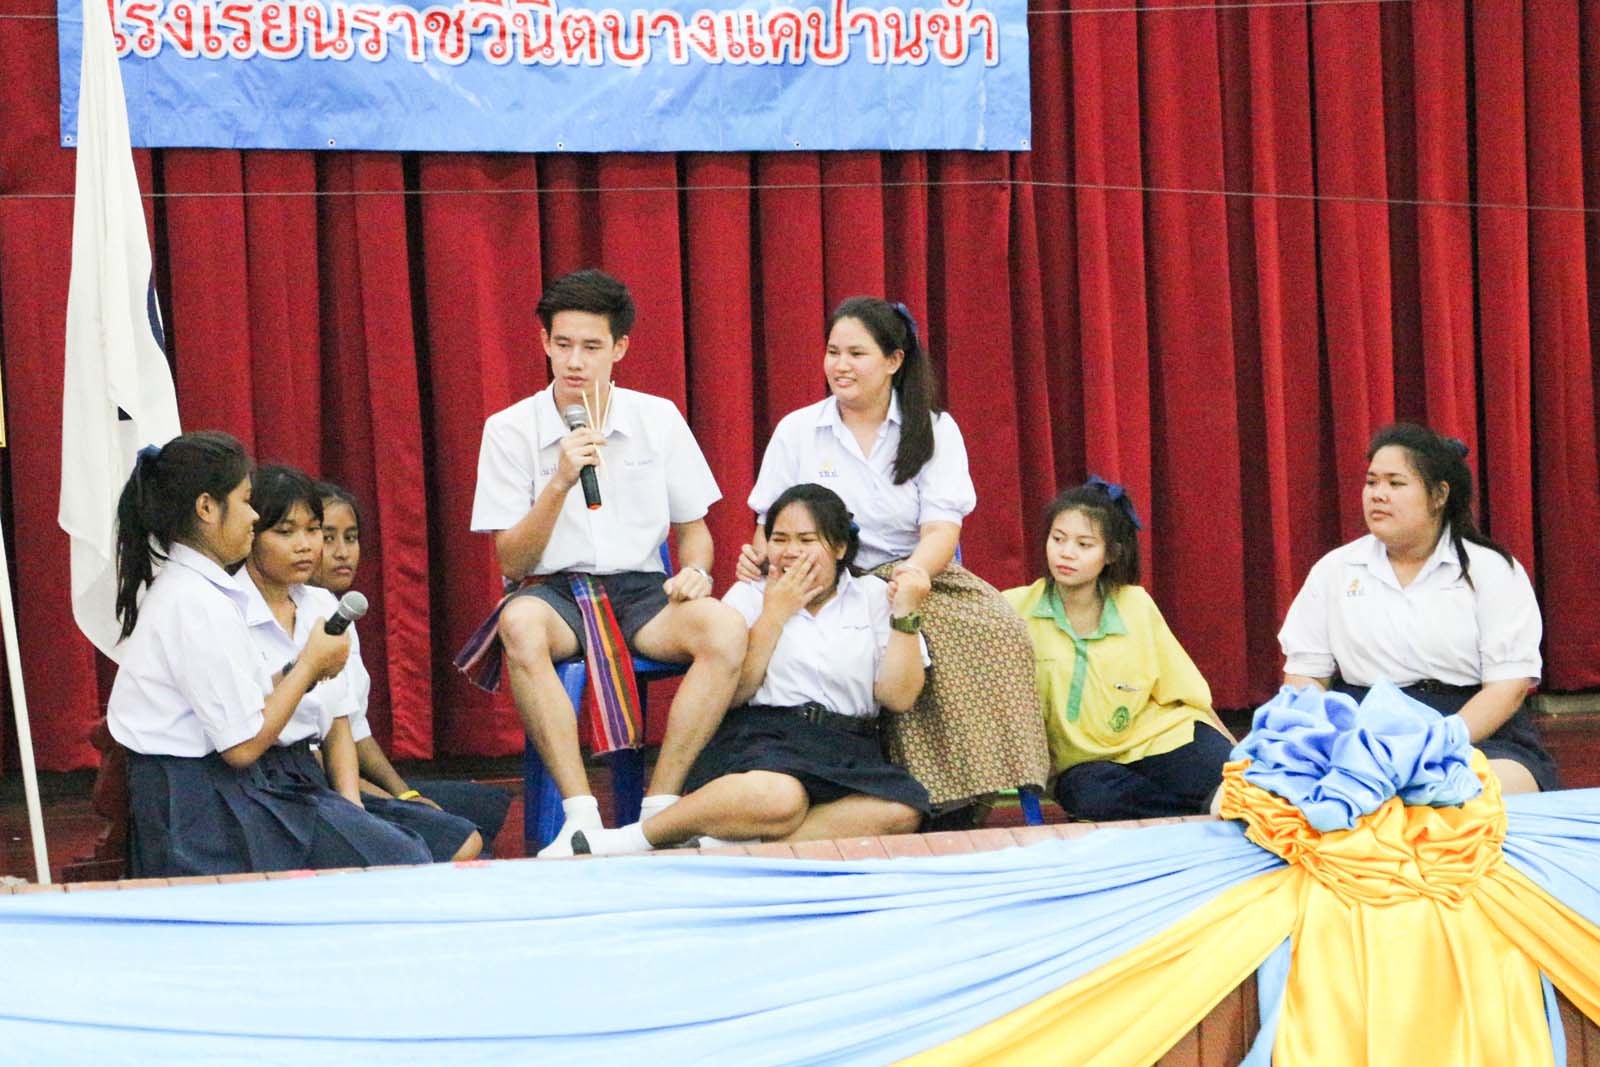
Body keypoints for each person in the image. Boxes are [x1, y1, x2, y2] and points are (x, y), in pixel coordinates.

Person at [459, 268, 747, 857]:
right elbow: (511, 559)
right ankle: (580, 814)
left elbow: (694, 531)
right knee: (518, 623)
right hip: (555, 592)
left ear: (619, 348)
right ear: (543, 342)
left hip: (643, 592)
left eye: (591, 347)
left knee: (724, 627)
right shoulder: (509, 430)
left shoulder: (657, 418)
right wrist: (560, 482)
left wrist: (696, 572)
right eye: (562, 344)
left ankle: (659, 811)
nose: (574, 362)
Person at [739, 296, 1048, 823]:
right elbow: (770, 520)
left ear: (894, 360)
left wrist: (914, 575)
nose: (840, 365)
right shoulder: (798, 430)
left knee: (997, 629)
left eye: (856, 353)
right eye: (833, 352)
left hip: (907, 567)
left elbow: (942, 528)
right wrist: (761, 554)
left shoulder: (933, 429)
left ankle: (970, 789)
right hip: (821, 576)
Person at [106, 432, 431, 877]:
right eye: (245, 501)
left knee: (401, 848)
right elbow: (241, 746)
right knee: (399, 861)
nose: (254, 516)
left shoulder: (202, 591)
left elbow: (246, 700)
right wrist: (310, 666)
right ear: (207, 508)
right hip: (202, 806)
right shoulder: (193, 601)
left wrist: (304, 670)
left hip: (221, 787)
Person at [573, 484, 930, 855]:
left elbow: (898, 697)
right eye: (780, 539)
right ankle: (639, 838)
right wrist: (774, 614)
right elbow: (734, 692)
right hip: (766, 736)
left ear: (839, 548)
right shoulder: (750, 594)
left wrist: (905, 614)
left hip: (846, 743)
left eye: (807, 540)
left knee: (901, 810)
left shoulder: (873, 595)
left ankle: (723, 847)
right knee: (781, 798)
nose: (791, 552)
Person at [1278, 423, 1559, 794]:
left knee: (1475, 791)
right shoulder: (1335, 569)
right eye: (1371, 482)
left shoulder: (1491, 569)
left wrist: (1438, 743)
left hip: (1470, 729)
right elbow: (1306, 676)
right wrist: (1322, 739)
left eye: (1395, 483)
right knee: (1272, 792)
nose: (1378, 495)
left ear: (1439, 494)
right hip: (1361, 730)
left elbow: (1508, 687)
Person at [234, 465, 481, 863]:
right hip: (262, 780)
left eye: (312, 530)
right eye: (285, 532)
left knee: (464, 839)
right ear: (251, 535)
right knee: (408, 856)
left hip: (314, 775)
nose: (305, 546)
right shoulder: (229, 608)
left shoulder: (322, 604)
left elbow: (339, 723)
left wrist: (354, 809)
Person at [1004, 479, 1233, 820]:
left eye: (1084, 544)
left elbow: (1188, 694)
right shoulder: (1012, 609)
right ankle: (1203, 812)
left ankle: (1207, 806)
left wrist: (1241, 760)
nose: (1066, 553)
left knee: (1232, 779)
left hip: (1160, 737)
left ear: (1111, 554)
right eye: (1058, 539)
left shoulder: (1136, 604)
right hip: (1085, 764)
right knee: (1093, 799)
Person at [312, 480, 510, 854]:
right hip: (323, 784)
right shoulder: (302, 615)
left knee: (488, 805)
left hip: (351, 777)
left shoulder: (339, 610)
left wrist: (405, 793)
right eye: (328, 538)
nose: (342, 552)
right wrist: (391, 801)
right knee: (464, 838)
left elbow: (356, 730)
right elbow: (316, 754)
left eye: (351, 538)